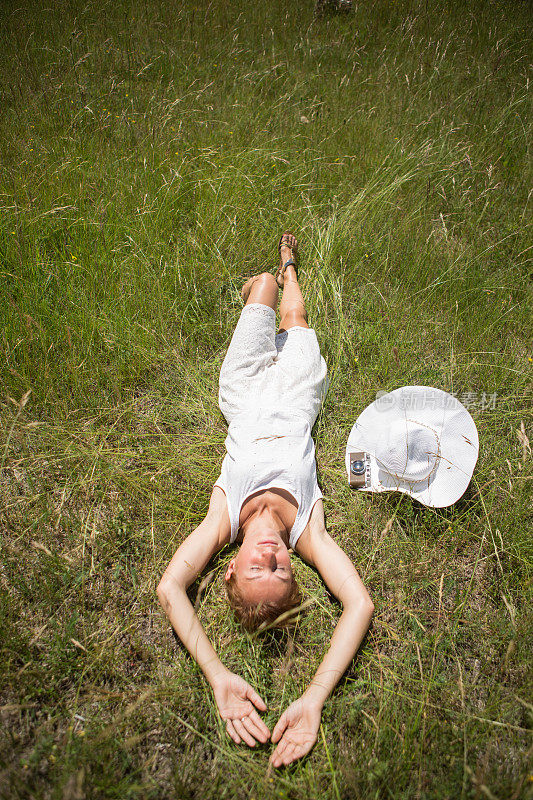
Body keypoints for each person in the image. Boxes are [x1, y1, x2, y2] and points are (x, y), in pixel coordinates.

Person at [157, 233, 374, 768]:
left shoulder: (223, 519)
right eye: (282, 569)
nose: (272, 556)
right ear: (295, 568)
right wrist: (314, 698)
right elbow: (360, 605)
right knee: (292, 308)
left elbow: (170, 587)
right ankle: (290, 262)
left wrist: (218, 677)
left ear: (229, 571)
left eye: (259, 570)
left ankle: (263, 283)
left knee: (262, 293)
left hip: (245, 391)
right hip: (299, 393)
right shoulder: (308, 531)